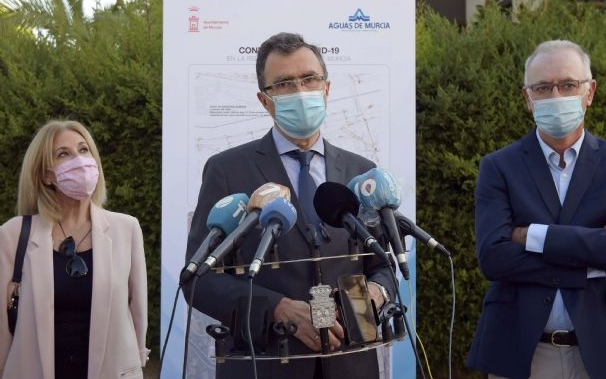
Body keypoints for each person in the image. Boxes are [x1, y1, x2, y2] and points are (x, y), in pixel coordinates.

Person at [184, 32, 396, 379]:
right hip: (266, 365)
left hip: (351, 363)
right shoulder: (227, 170)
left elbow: (383, 265)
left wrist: (375, 292)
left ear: (326, 88)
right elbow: (199, 281)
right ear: (264, 100)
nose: (300, 91)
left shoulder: (360, 172)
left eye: (309, 78)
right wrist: (278, 309)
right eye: (283, 84)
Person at [466, 40, 606, 379]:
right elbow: (493, 258)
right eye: (543, 88)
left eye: (568, 85)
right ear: (527, 98)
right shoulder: (499, 167)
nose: (556, 96)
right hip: (521, 352)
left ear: (590, 92)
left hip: (604, 350)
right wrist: (600, 245)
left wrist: (534, 236)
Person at [0, 120, 149, 379]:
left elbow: (138, 314)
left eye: (83, 150)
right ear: (45, 175)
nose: (79, 161)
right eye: (63, 154)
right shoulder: (13, 234)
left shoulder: (126, 229)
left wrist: (136, 362)